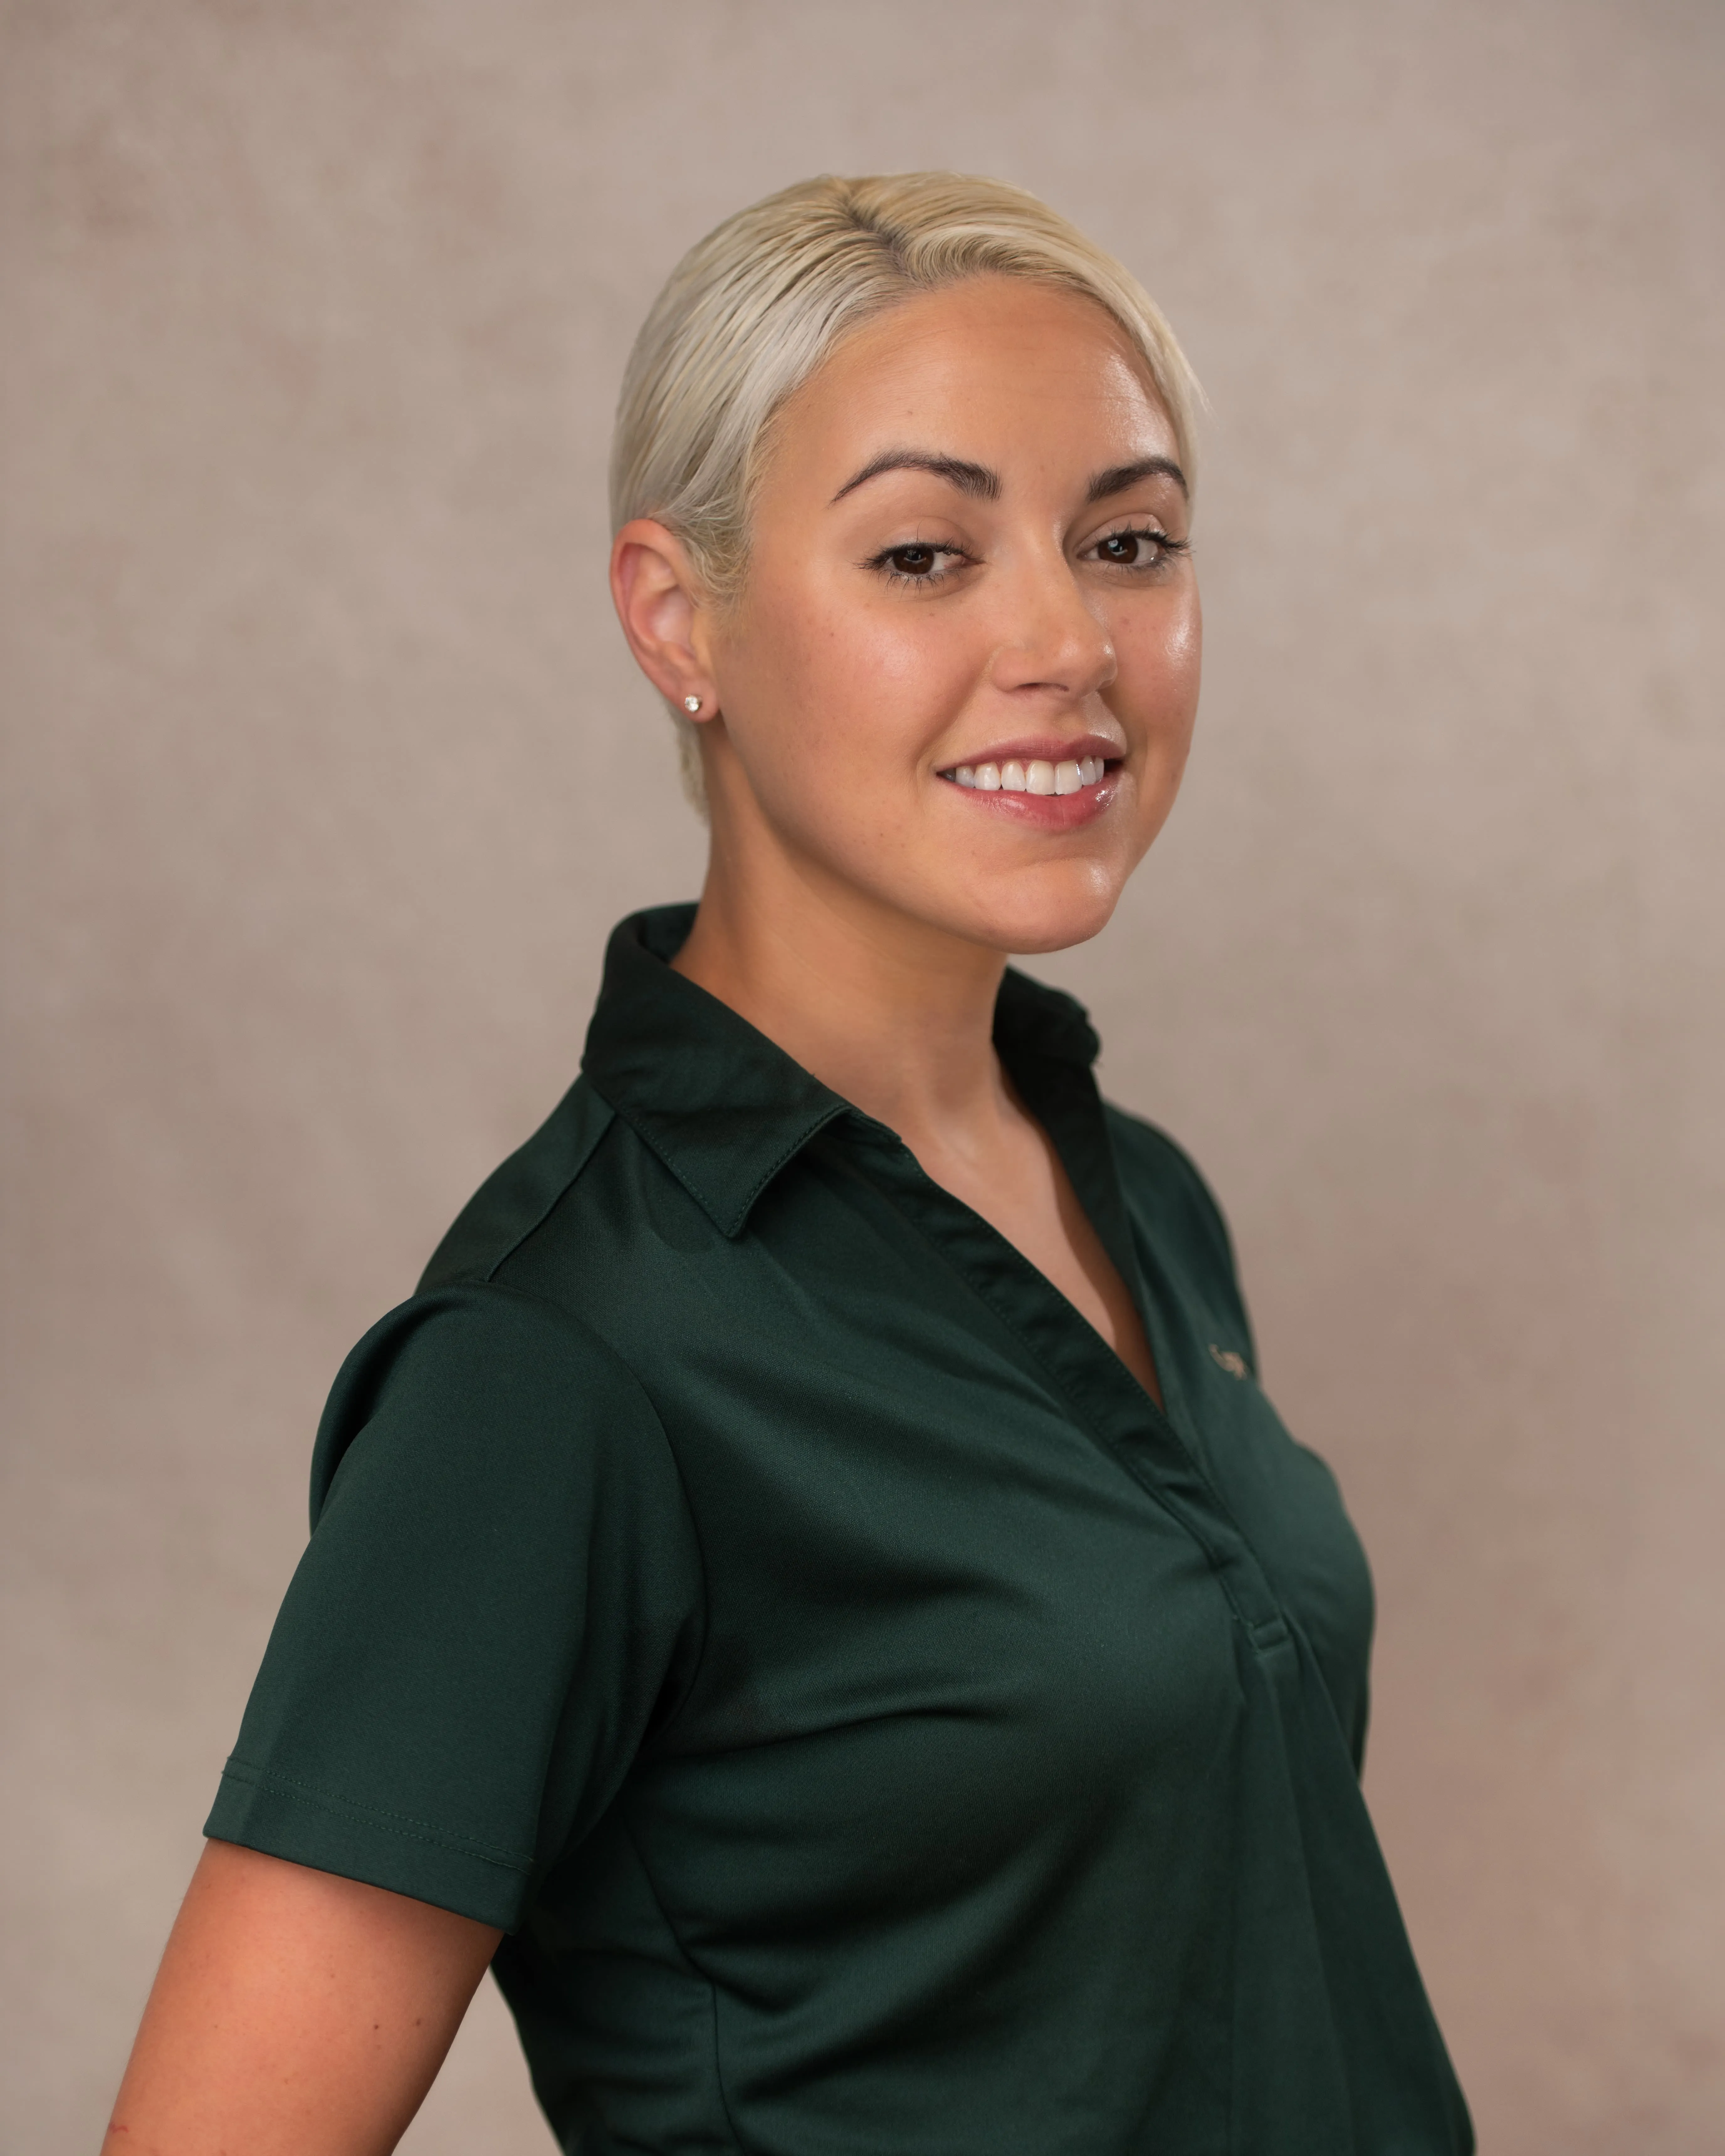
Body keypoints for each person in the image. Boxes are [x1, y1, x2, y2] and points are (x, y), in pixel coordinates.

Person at [106, 173, 1473, 2154]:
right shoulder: (554, 1366)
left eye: (1133, 541)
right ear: (684, 622)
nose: (1068, 639)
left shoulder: (1142, 1198)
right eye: (926, 553)